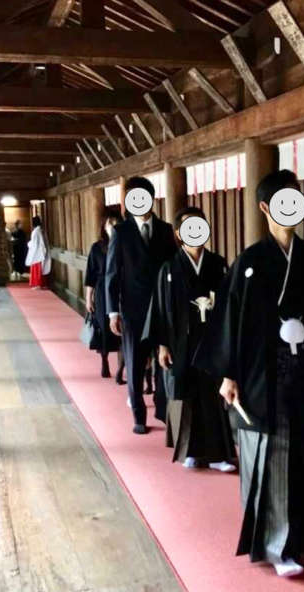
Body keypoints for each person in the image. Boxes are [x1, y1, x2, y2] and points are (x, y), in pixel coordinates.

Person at [196, 169, 304, 577]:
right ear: (265, 208)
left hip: (302, 371)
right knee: (272, 452)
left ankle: (299, 537)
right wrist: (227, 374)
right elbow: (229, 318)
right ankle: (277, 545)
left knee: (299, 454)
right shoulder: (250, 262)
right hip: (262, 372)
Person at [146, 207, 236, 472]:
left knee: (211, 396)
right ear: (178, 234)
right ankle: (189, 451)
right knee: (182, 395)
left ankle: (219, 454)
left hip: (211, 340)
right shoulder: (169, 268)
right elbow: (161, 309)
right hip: (179, 342)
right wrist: (162, 345)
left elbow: (230, 304)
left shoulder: (218, 264)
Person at [105, 177, 177, 434]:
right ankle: (138, 414)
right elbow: (112, 273)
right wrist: (113, 311)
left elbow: (173, 268)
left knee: (164, 361)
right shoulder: (121, 232)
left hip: (162, 309)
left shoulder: (166, 230)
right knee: (135, 363)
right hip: (133, 310)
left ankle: (162, 409)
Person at [85, 208, 122, 378]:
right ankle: (104, 360)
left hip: (122, 290)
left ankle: (121, 368)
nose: (113, 226)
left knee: (122, 331)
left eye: (116, 223)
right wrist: (88, 298)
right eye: (110, 223)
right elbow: (90, 275)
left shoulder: (125, 245)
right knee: (104, 328)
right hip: (101, 291)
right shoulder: (97, 247)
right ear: (104, 225)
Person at [26, 216, 51, 289]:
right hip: (41, 252)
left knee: (37, 269)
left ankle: (37, 284)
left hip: (37, 253)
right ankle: (41, 284)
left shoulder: (36, 231)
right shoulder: (41, 230)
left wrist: (28, 244)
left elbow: (35, 243)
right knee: (41, 269)